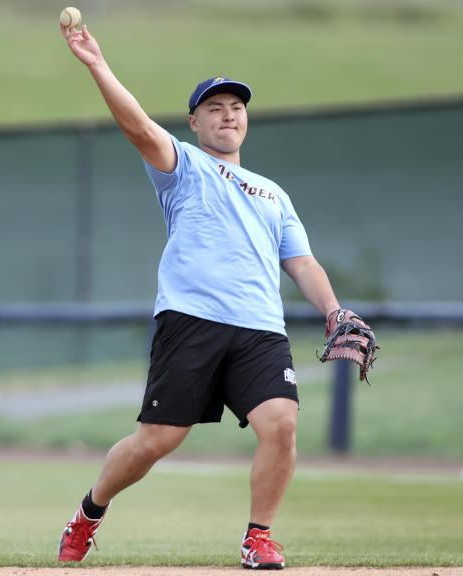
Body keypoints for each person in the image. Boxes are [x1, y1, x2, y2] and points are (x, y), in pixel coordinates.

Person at [58, 22, 363, 571]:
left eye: (237, 106)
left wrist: (334, 310)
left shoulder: (273, 193)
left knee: (283, 423)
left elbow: (300, 262)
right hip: (191, 321)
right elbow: (136, 127)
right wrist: (98, 66)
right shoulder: (183, 166)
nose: (228, 114)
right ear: (194, 122)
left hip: (260, 328)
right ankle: (88, 512)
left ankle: (258, 537)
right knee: (155, 443)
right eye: (215, 106)